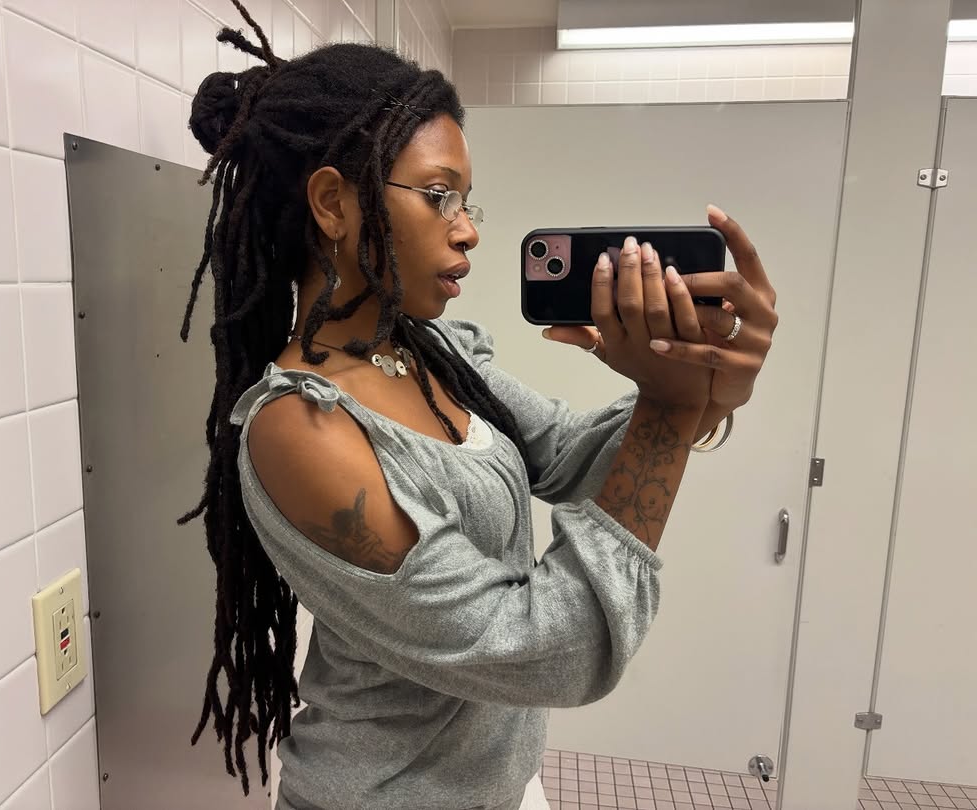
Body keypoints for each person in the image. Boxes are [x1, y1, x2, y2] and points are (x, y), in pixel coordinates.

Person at [178, 3, 779, 808]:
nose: (467, 232)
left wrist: (702, 389)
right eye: (439, 196)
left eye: (467, 201)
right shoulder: (301, 428)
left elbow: (571, 456)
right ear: (333, 204)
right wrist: (668, 412)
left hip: (504, 787)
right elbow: (552, 648)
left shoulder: (434, 352)